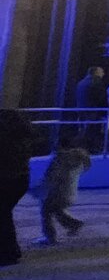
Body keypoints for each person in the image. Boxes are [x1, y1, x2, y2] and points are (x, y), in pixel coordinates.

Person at [36, 138, 92, 245]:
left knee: (46, 211)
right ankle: (74, 224)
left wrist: (41, 187)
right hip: (69, 191)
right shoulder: (79, 159)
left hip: (57, 191)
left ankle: (50, 237)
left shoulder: (60, 159)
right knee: (56, 210)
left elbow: (52, 176)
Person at [0, 109, 35, 266]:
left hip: (7, 180)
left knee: (3, 216)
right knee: (4, 215)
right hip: (20, 179)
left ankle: (8, 253)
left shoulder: (6, 141)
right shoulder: (23, 139)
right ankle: (10, 250)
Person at [74, 66, 108, 151]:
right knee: (92, 131)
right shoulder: (96, 82)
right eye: (102, 72)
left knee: (83, 130)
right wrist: (105, 111)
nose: (103, 74)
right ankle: (91, 149)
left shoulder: (81, 82)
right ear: (96, 72)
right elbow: (101, 98)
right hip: (93, 111)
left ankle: (81, 148)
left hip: (81, 110)